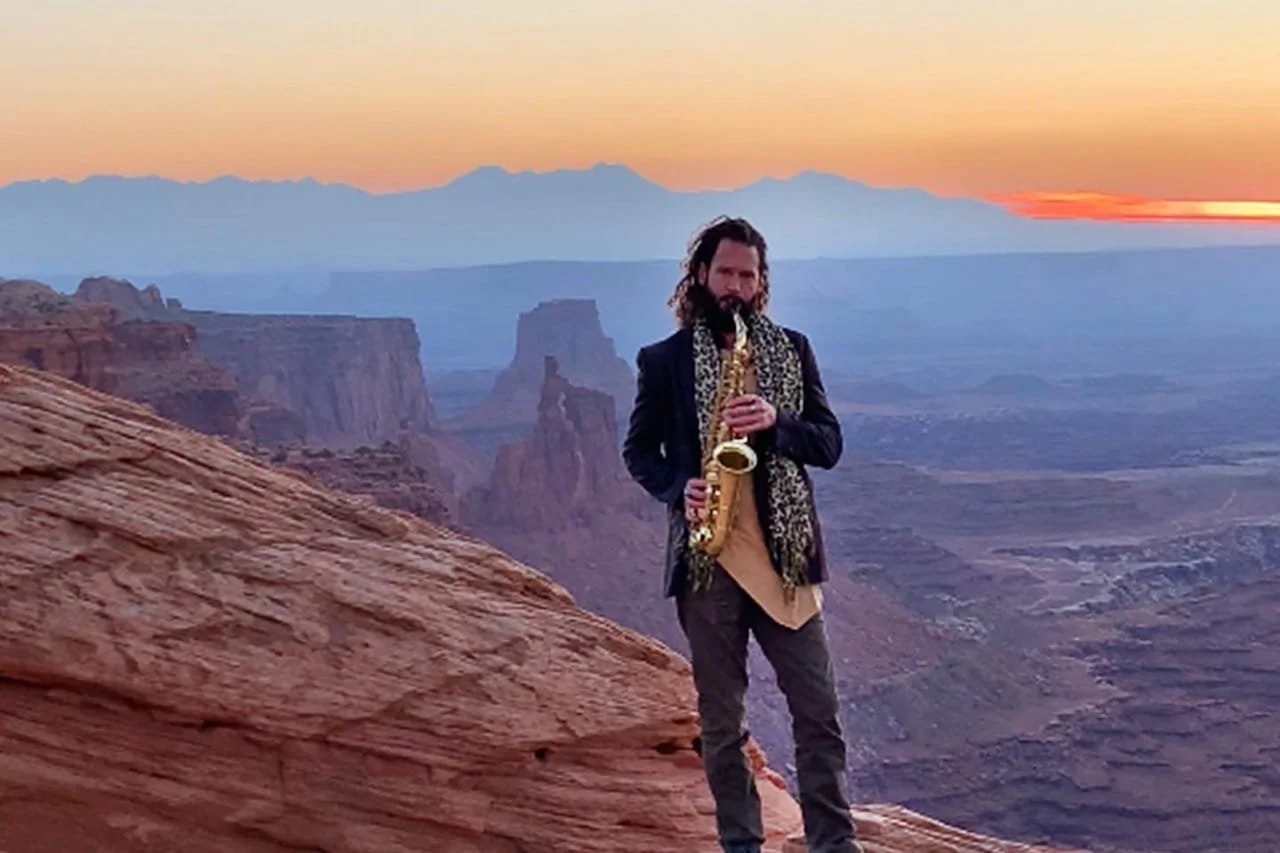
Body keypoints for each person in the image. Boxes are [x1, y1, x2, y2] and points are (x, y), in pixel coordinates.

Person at [623, 216, 862, 853]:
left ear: (761, 284)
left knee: (819, 715)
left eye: (747, 275)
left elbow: (830, 444)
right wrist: (681, 488)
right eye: (725, 272)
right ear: (702, 275)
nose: (734, 285)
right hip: (710, 564)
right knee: (723, 724)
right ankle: (742, 846)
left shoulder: (792, 349)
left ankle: (834, 845)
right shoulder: (665, 361)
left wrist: (778, 421)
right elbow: (639, 452)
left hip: (785, 564)